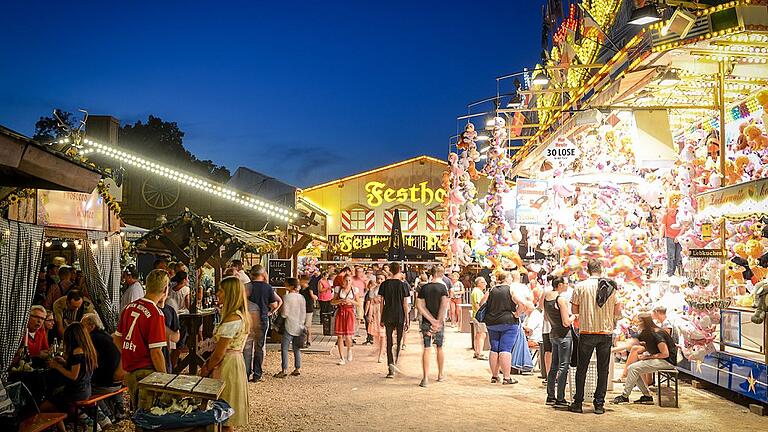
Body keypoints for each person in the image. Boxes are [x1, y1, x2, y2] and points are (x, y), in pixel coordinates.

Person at [569, 259, 621, 415]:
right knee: (602, 369)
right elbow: (617, 310)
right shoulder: (611, 287)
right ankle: (599, 404)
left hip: (586, 332)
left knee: (582, 368)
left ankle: (578, 402)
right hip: (605, 333)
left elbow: (574, 309)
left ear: (587, 270)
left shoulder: (580, 287)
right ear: (601, 269)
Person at [200, 277, 250, 431]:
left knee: (224, 413)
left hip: (228, 365)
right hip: (234, 361)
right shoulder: (239, 315)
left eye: (221, 291)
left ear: (229, 294)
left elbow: (219, 353)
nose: (217, 294)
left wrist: (207, 367)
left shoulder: (232, 318)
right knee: (225, 415)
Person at [114, 269, 169, 408]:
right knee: (149, 417)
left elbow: (116, 338)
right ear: (165, 289)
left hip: (131, 371)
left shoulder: (129, 307)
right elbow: (156, 352)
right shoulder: (156, 313)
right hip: (146, 371)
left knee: (137, 414)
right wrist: (165, 380)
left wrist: (130, 353)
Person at [40, 322, 97, 427]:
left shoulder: (77, 350)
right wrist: (64, 362)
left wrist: (56, 366)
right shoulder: (88, 349)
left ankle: (80, 423)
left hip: (76, 392)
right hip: (86, 389)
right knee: (53, 403)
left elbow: (73, 376)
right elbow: (81, 370)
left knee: (44, 406)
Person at [612, 313, 677, 405]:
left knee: (633, 368)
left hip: (667, 361)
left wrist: (647, 357)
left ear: (645, 322)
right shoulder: (647, 332)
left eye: (639, 321)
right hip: (660, 359)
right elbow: (631, 345)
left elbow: (665, 354)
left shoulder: (657, 333)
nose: (637, 323)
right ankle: (646, 396)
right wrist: (612, 350)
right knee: (634, 369)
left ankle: (625, 396)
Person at [482, 270, 534, 385]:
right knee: (505, 349)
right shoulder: (511, 290)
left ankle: (494, 376)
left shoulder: (491, 290)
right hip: (508, 322)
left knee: (494, 348)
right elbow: (522, 304)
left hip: (492, 322)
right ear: (507, 278)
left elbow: (482, 303)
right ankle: (506, 377)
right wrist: (516, 314)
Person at [81, 313, 125, 423]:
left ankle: (106, 417)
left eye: (83, 326)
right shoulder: (107, 336)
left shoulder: (92, 338)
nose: (81, 329)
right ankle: (118, 412)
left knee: (83, 391)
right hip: (118, 383)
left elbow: (88, 362)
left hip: (106, 384)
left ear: (92, 326)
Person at [245, 265, 282, 382]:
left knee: (247, 347)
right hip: (262, 318)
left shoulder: (247, 287)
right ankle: (257, 374)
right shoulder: (268, 288)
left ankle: (245, 374)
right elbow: (276, 303)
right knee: (259, 347)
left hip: (248, 319)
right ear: (263, 274)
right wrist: (271, 311)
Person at [415, 266, 449, 387]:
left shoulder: (424, 288)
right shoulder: (443, 288)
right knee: (439, 347)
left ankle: (425, 378)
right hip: (439, 323)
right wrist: (437, 321)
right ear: (441, 274)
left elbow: (419, 305)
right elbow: (444, 305)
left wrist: (430, 319)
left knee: (427, 347)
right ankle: (440, 374)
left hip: (426, 322)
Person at [543, 277, 574, 408]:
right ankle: (560, 398)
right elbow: (566, 322)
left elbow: (545, 316)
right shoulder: (560, 299)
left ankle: (550, 396)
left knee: (554, 367)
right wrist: (574, 316)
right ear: (560, 285)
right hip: (564, 335)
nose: (568, 286)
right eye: (566, 284)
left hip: (553, 333)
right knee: (563, 366)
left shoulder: (546, 297)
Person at [378, 262, 410, 377]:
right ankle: (395, 362)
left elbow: (382, 303)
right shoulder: (403, 285)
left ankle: (390, 366)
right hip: (400, 314)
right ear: (399, 270)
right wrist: (407, 319)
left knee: (389, 341)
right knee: (399, 340)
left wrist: (381, 317)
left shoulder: (385, 285)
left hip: (388, 313)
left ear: (390, 270)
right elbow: (405, 304)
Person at [274, 278, 306, 378]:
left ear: (290, 286)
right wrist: (302, 323)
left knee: (284, 348)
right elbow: (303, 312)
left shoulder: (287, 297)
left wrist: (278, 322)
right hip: (299, 324)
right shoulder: (301, 297)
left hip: (289, 324)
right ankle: (297, 368)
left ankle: (284, 369)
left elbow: (285, 313)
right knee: (296, 348)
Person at [332, 273, 359, 365]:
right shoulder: (338, 289)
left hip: (349, 312)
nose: (347, 282)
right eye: (346, 280)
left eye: (349, 280)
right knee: (339, 336)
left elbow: (358, 303)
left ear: (351, 281)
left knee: (348, 336)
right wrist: (340, 301)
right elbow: (332, 302)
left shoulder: (354, 290)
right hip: (340, 312)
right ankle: (341, 358)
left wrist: (350, 301)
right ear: (343, 281)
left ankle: (349, 349)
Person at [366, 276, 386, 363]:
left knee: (383, 335)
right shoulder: (373, 289)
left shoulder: (386, 289)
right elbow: (370, 303)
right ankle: (381, 350)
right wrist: (369, 315)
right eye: (378, 278)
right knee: (377, 335)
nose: (379, 280)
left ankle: (381, 354)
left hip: (384, 311)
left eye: (381, 279)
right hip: (375, 312)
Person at [470, 277, 488, 360]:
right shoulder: (477, 292)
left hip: (476, 316)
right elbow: (478, 305)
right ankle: (479, 353)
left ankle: (477, 352)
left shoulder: (476, 291)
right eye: (483, 282)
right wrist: (481, 315)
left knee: (478, 335)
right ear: (479, 283)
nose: (485, 284)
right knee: (482, 334)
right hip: (479, 317)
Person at [298, 275, 317, 348]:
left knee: (307, 325)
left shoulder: (310, 288)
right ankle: (303, 340)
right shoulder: (300, 289)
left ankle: (308, 340)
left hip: (308, 308)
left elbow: (312, 296)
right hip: (301, 308)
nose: (299, 282)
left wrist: (315, 297)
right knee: (302, 324)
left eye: (301, 280)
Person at [351, 267, 368, 340]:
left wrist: (365, 281)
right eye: (357, 271)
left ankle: (356, 330)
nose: (358, 273)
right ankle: (352, 330)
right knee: (352, 314)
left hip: (360, 298)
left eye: (360, 272)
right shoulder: (351, 279)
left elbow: (367, 288)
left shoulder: (364, 280)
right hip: (352, 298)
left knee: (359, 315)